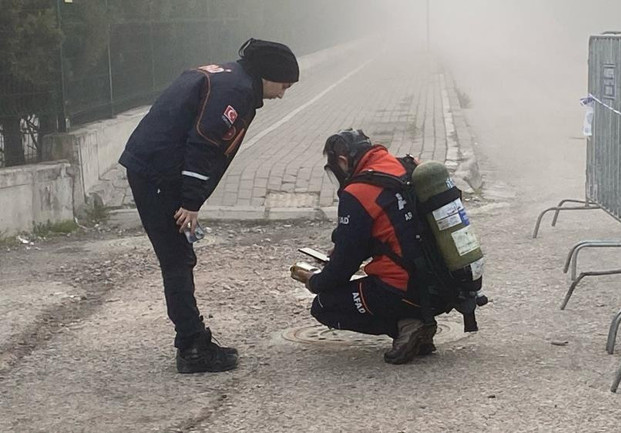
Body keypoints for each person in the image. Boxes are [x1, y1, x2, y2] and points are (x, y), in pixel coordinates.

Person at [119, 39, 299, 373]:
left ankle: (193, 339)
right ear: (269, 74)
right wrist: (190, 201)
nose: (282, 95)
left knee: (179, 256)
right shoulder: (236, 90)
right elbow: (203, 143)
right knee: (177, 259)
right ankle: (192, 348)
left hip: (153, 167)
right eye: (284, 86)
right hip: (157, 175)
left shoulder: (229, 76)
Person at [292, 129, 437, 365]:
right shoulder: (405, 167)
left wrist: (315, 282)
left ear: (342, 161)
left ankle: (407, 326)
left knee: (323, 306)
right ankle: (417, 323)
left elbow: (343, 267)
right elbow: (399, 226)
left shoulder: (358, 192)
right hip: (441, 286)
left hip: (403, 290)